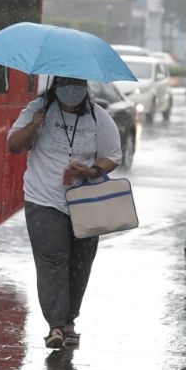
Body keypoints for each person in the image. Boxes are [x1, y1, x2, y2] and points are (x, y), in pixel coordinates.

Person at [7, 75, 122, 349]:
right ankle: (55, 326)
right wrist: (34, 127)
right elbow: (14, 144)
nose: (73, 89)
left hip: (84, 203)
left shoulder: (98, 118)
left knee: (80, 262)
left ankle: (70, 321)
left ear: (86, 87)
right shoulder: (38, 109)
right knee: (52, 260)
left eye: (78, 84)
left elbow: (113, 155)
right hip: (43, 199)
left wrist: (92, 171)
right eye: (67, 83)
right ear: (56, 85)